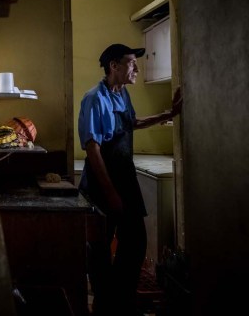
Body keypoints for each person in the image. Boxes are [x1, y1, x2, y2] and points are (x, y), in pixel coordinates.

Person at [78, 43, 182, 316]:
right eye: (131, 63)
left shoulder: (122, 94)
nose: (136, 68)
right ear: (114, 66)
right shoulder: (94, 98)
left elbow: (131, 123)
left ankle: (119, 301)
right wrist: (111, 194)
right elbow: (92, 148)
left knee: (135, 242)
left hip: (125, 178)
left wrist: (167, 115)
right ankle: (106, 305)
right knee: (99, 250)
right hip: (102, 183)